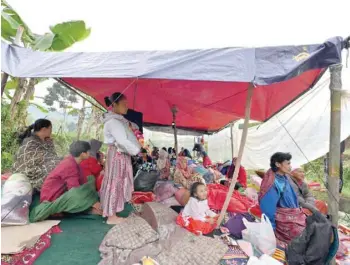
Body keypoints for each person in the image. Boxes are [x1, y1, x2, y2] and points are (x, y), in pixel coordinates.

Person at [30, 141, 101, 222]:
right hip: (52, 197)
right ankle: (84, 208)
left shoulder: (75, 162)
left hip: (64, 192)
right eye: (88, 152)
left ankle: (87, 207)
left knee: (90, 179)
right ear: (82, 154)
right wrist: (91, 202)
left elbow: (83, 183)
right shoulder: (69, 165)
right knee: (79, 194)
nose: (90, 154)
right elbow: (75, 191)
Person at [101, 92, 141, 224]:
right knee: (115, 182)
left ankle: (113, 211)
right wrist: (136, 151)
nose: (126, 107)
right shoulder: (113, 122)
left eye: (127, 104)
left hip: (120, 154)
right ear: (114, 105)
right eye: (124, 104)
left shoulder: (119, 120)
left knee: (118, 181)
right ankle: (111, 216)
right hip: (117, 154)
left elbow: (132, 129)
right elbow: (123, 141)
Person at [259, 152, 306, 244]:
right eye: (288, 163)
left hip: (294, 216)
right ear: (278, 164)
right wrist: (271, 231)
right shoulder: (272, 183)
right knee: (304, 240)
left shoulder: (284, 177)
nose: (290, 166)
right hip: (285, 222)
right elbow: (268, 209)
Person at [12, 119, 61, 191]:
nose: (51, 131)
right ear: (44, 129)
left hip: (40, 167)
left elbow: (52, 156)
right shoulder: (30, 142)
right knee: (59, 166)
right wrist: (62, 159)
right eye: (50, 129)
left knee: (62, 166)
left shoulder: (47, 141)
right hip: (27, 172)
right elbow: (40, 158)